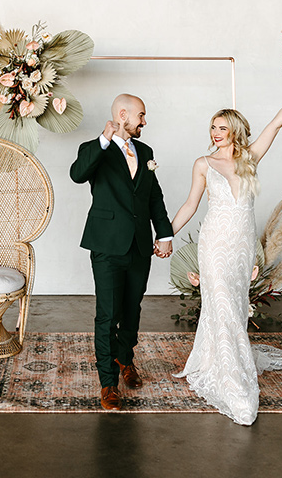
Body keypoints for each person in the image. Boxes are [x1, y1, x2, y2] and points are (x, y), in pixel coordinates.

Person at [171, 77, 282, 425]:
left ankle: (222, 360)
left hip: (240, 247)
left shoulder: (250, 159)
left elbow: (278, 122)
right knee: (220, 302)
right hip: (214, 244)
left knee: (234, 308)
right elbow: (190, 205)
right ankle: (234, 383)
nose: (215, 132)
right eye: (212, 126)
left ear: (236, 130)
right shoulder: (204, 164)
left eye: (222, 127)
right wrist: (163, 236)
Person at [70, 94, 173, 410]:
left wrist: (165, 234)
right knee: (108, 314)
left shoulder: (146, 151)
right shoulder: (94, 149)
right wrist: (104, 139)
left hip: (140, 246)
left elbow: (153, 197)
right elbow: (78, 174)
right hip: (107, 245)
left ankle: (125, 358)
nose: (144, 121)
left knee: (132, 308)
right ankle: (108, 383)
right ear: (123, 115)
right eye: (141, 115)